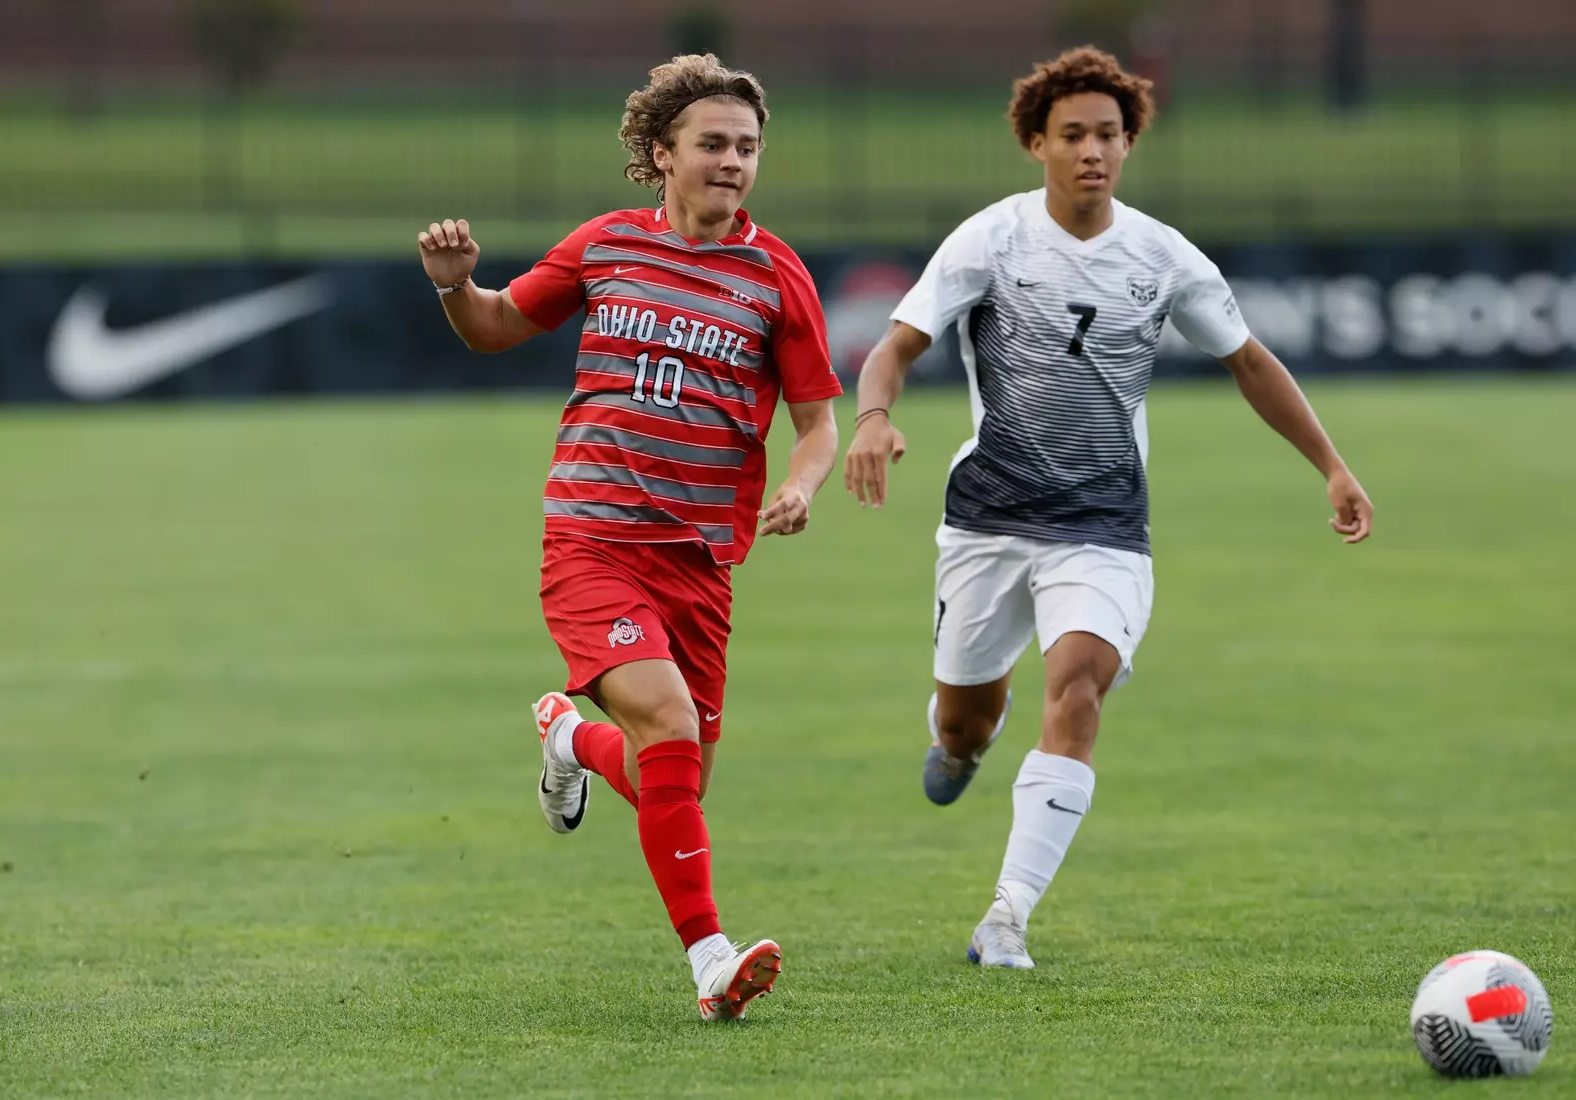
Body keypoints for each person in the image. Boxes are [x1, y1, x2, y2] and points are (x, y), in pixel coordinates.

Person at [842, 47, 1374, 970]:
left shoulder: (1162, 257)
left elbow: (1249, 361)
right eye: (1074, 135)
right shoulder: (991, 240)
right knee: (965, 718)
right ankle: (964, 738)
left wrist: (1331, 464)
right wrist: (875, 418)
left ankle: (1005, 916)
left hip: (1103, 525)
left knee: (1079, 687)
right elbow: (894, 346)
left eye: (1110, 135)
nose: (1093, 151)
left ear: (1129, 145)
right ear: (1036, 143)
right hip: (988, 518)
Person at [417, 54, 841, 1018]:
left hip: (701, 561)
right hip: (593, 539)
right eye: (713, 145)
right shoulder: (605, 247)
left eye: (747, 147)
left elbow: (818, 420)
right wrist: (456, 287)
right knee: (671, 730)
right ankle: (711, 962)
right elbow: (492, 327)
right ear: (662, 155)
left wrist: (804, 484)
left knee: (675, 774)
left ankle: (566, 735)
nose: (733, 162)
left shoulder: (777, 276)